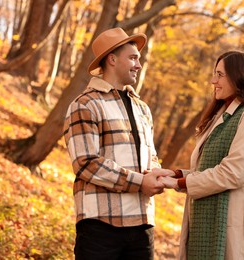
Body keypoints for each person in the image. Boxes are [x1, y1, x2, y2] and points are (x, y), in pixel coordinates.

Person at [154, 50, 244, 260]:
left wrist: (181, 183)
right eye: (215, 74)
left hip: (234, 227)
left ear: (239, 76)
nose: (214, 80)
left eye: (220, 74)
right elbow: (205, 171)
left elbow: (233, 173)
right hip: (203, 223)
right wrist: (175, 174)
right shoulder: (220, 116)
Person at [63, 27, 168, 260]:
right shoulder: (85, 104)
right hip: (101, 226)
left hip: (142, 225)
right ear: (111, 59)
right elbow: (86, 163)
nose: (138, 65)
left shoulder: (142, 108)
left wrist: (158, 175)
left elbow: (150, 156)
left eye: (138, 59)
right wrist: (141, 183)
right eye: (132, 58)